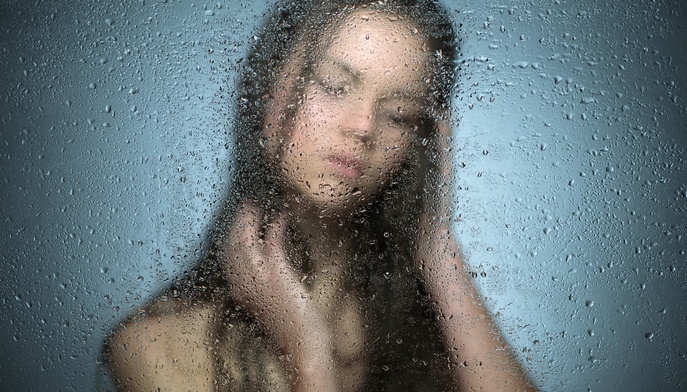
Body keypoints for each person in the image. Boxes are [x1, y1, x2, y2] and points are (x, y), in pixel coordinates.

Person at [105, 0, 536, 391]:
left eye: (400, 115)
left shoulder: (438, 332)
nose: (363, 127)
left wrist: (441, 255)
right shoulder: (157, 348)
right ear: (266, 87)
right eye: (333, 86)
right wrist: (309, 357)